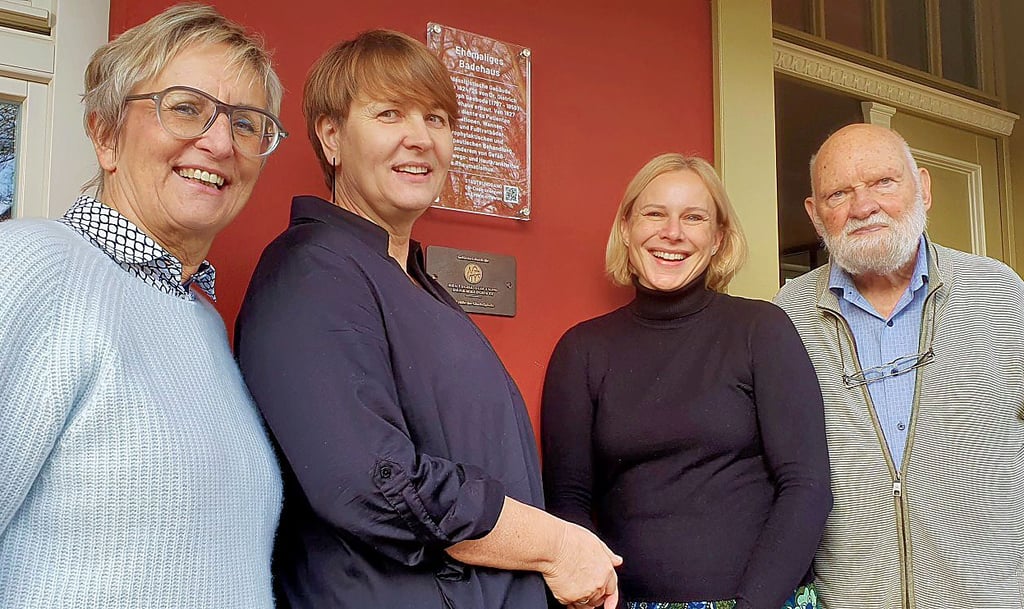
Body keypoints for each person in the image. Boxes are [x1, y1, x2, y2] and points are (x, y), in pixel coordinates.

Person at [234, 29, 620, 609]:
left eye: (437, 119)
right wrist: (555, 546)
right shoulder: (311, 270)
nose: (420, 139)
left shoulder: (414, 280)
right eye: (390, 113)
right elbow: (370, 482)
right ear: (331, 135)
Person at [0, 4, 287, 608]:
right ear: (106, 133)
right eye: (185, 108)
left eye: (245, 123)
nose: (218, 142)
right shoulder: (30, 266)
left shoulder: (200, 318)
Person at [542, 154, 832, 609]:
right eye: (654, 213)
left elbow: (807, 485)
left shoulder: (761, 330)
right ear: (626, 228)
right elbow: (569, 501)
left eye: (693, 217)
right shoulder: (581, 351)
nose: (672, 233)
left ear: (717, 239)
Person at [774, 123, 1024, 609]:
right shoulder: (786, 317)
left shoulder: (999, 292)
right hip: (852, 598)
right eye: (838, 193)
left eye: (883, 182)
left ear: (923, 188)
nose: (863, 206)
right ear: (814, 213)